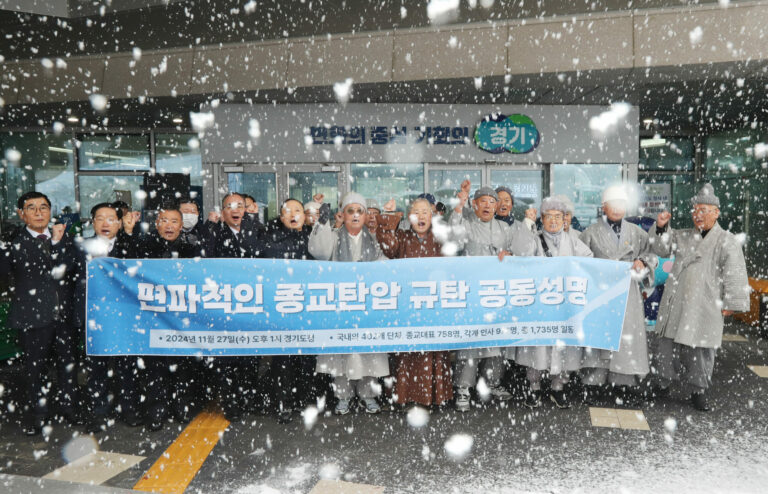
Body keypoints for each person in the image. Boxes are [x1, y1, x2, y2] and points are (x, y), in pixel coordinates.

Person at [648, 184, 749, 411]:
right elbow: (661, 249)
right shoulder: (682, 235)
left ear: (716, 212)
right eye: (696, 210)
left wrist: (731, 302)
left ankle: (698, 390)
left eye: (704, 210)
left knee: (700, 349)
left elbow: (734, 270)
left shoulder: (726, 240)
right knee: (665, 346)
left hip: (704, 302)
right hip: (676, 300)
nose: (699, 215)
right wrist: (662, 227)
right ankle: (662, 383)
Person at [450, 181, 537, 411]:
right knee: (470, 342)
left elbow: (524, 250)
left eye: (491, 202)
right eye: (483, 202)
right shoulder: (467, 225)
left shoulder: (505, 228)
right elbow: (453, 240)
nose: (487, 206)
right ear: (475, 205)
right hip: (472, 292)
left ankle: (492, 383)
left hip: (497, 293)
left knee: (495, 340)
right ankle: (463, 389)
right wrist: (459, 207)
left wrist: (512, 253)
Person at [0, 192, 81, 435]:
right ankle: (39, 415)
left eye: (43, 207)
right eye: (31, 208)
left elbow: (73, 270)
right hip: (32, 317)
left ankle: (70, 409)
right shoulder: (13, 242)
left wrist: (57, 244)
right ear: (21, 214)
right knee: (36, 369)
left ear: (50, 211)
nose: (38, 212)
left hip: (64, 316)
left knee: (68, 366)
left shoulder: (65, 238)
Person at [504, 196, 593, 409]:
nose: (553, 221)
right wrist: (527, 224)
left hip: (564, 306)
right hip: (540, 305)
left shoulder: (573, 240)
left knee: (564, 348)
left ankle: (558, 387)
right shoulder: (533, 238)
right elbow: (522, 254)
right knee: (538, 347)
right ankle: (533, 388)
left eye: (558, 217)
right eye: (548, 217)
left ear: (565, 219)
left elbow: (589, 260)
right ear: (542, 219)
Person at [309, 192, 390, 415]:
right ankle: (343, 396)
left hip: (366, 306)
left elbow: (384, 263)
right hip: (341, 305)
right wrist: (323, 223)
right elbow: (320, 252)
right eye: (350, 211)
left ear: (365, 217)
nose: (355, 216)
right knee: (342, 352)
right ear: (342, 215)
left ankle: (368, 395)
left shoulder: (372, 240)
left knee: (368, 352)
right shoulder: (334, 236)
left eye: (359, 212)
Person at [579, 186, 658, 406]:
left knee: (626, 336)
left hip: (627, 291)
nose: (617, 208)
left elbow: (652, 253)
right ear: (603, 207)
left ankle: (624, 382)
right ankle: (593, 382)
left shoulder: (636, 231)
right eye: (612, 204)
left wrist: (641, 261)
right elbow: (580, 262)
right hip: (600, 292)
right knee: (599, 336)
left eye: (621, 204)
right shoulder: (590, 232)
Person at [376, 198, 453, 409]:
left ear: (432, 216)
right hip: (408, 305)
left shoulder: (440, 239)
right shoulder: (401, 237)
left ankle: (436, 396)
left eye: (425, 213)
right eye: (416, 212)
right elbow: (388, 247)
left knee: (435, 351)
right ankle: (406, 395)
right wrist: (388, 217)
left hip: (434, 304)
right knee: (408, 352)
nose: (421, 217)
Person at [77, 202, 142, 432]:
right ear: (92, 222)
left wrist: (131, 233)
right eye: (100, 218)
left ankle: (129, 409)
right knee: (96, 369)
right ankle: (98, 413)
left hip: (125, 318)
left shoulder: (130, 245)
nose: (105, 223)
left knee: (127, 367)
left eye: (111, 219)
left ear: (119, 222)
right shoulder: (81, 247)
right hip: (94, 318)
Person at [136, 205, 202, 430]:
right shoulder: (144, 246)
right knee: (155, 367)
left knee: (183, 365)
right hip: (152, 317)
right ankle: (156, 410)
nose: (169, 225)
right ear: (157, 224)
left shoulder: (191, 248)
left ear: (181, 225)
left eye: (174, 221)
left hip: (181, 317)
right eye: (164, 220)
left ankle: (181, 407)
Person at [256, 198, 316, 423]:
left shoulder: (314, 238)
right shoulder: (270, 240)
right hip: (281, 309)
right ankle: (284, 403)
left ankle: (305, 401)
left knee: (308, 359)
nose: (293, 214)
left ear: (305, 215)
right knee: (283, 361)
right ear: (281, 217)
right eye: (287, 211)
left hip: (309, 309)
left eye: (297, 210)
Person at [204, 192, 261, 421]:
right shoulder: (214, 233)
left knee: (251, 355)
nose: (235, 210)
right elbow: (205, 258)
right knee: (227, 358)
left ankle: (248, 398)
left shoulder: (255, 231)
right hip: (225, 305)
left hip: (253, 304)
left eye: (239, 206)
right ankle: (231, 402)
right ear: (223, 211)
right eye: (229, 206)